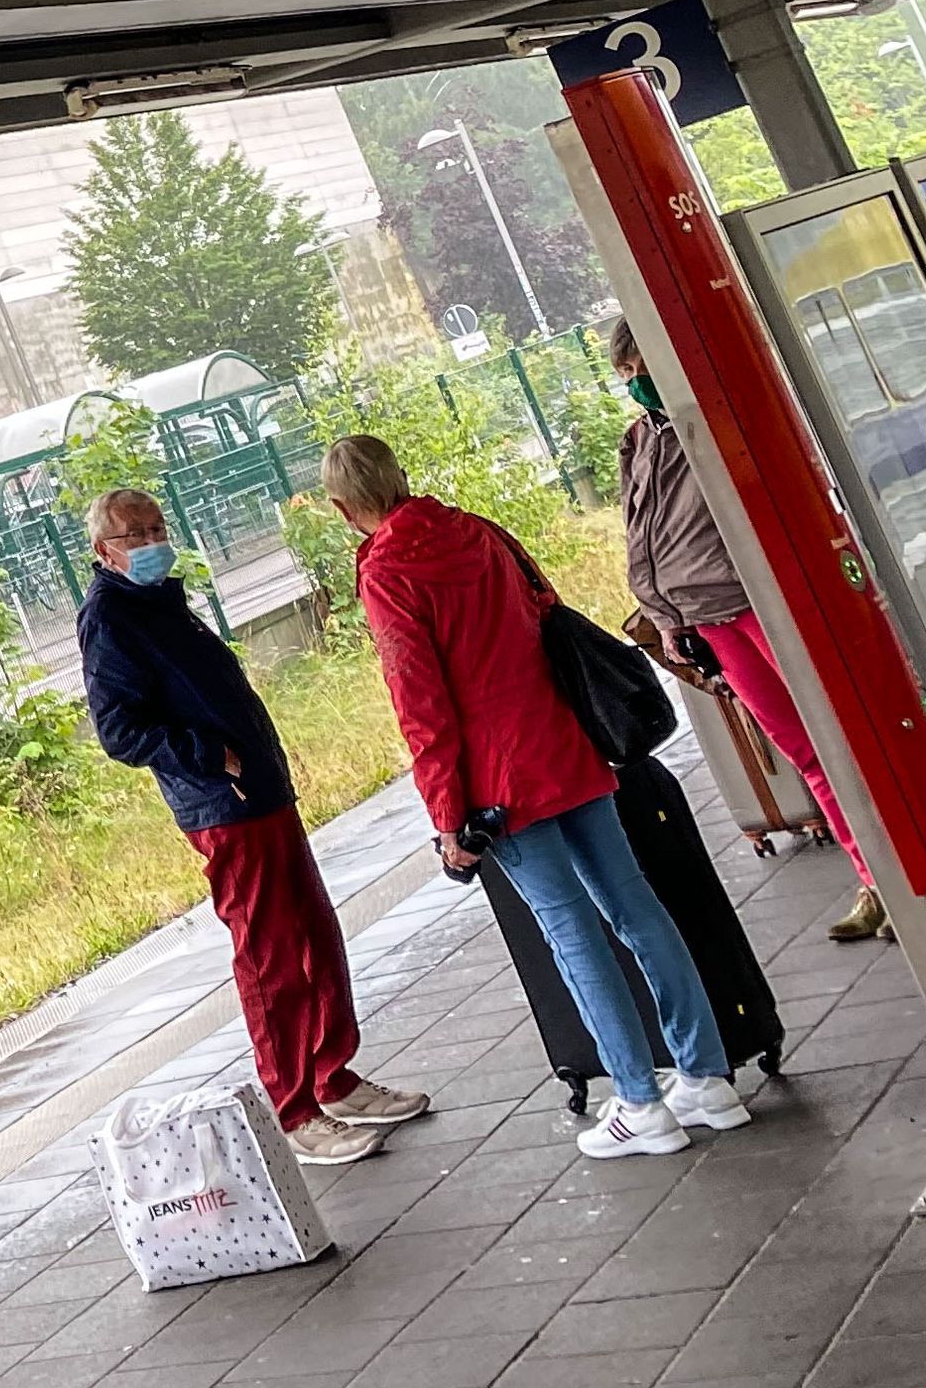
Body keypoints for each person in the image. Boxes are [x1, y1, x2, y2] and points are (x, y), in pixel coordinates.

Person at [329, 432, 750, 1157]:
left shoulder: (387, 573)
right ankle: (708, 1077)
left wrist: (447, 818)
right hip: (568, 747)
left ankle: (640, 1104)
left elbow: (419, 703)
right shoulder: (479, 531)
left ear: (343, 509)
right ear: (399, 476)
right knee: (636, 907)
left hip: (501, 784)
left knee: (572, 934)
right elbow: (542, 609)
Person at [76, 487, 427, 1167]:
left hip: (260, 793)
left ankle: (335, 1075)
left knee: (315, 934)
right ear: (103, 550)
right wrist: (215, 759)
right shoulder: (111, 619)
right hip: (223, 806)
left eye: (156, 527)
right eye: (133, 535)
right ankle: (295, 1108)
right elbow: (120, 731)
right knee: (270, 956)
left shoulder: (163, 603)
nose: (151, 543)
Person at [610, 318, 888, 941]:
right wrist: (667, 618)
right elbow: (642, 539)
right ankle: (871, 878)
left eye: (643, 368)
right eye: (626, 375)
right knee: (804, 751)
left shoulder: (706, 425)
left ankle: (899, 864)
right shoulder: (639, 442)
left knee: (844, 732)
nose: (636, 384)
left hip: (758, 603)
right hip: (707, 619)